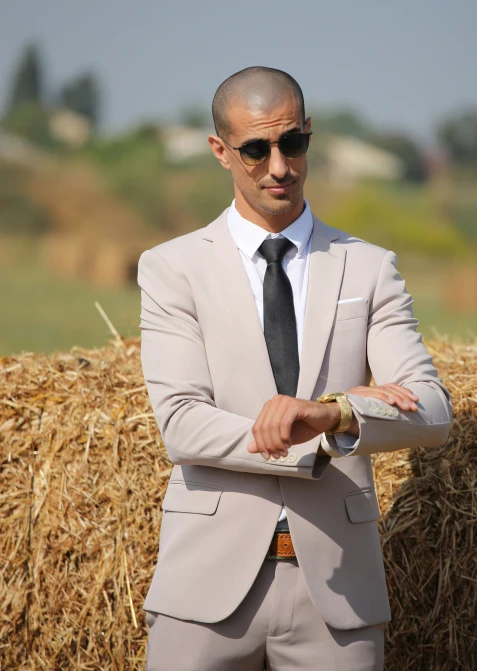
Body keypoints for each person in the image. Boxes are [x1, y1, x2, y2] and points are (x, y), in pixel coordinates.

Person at [138, 66, 452, 671]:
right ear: (221, 152)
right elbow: (180, 422)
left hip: (338, 589)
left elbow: (431, 409)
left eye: (292, 143)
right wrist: (312, 438)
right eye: (256, 149)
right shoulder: (171, 268)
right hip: (204, 585)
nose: (279, 166)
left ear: (309, 134)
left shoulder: (370, 268)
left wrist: (335, 411)